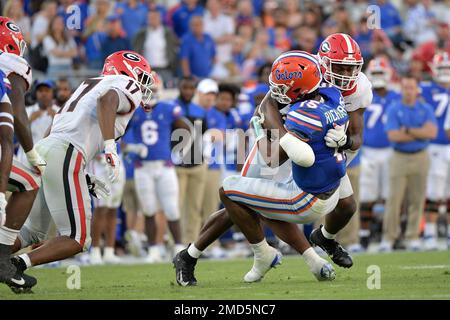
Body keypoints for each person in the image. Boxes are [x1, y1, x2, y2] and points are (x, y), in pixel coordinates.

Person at [174, 51, 342, 286]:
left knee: (253, 201)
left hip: (285, 150)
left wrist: (345, 139)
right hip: (271, 146)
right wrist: (263, 127)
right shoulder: (297, 100)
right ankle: (292, 256)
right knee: (246, 201)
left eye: (281, 86)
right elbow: (271, 140)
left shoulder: (314, 105)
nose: (274, 89)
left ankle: (190, 256)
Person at [7, 50, 154, 292]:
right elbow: (107, 99)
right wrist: (110, 147)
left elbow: (57, 127)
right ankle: (16, 264)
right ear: (125, 71)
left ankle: (11, 262)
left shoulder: (87, 85)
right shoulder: (121, 84)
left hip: (47, 149)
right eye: (141, 77)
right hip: (65, 152)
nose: (143, 84)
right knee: (77, 238)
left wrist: (78, 172)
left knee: (31, 231)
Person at [0, 17, 45, 293]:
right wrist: (31, 151)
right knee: (29, 182)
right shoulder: (12, 64)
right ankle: (3, 260)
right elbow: (17, 114)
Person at [127, 72, 188, 262]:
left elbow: (186, 129)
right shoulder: (133, 110)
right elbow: (116, 134)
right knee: (148, 209)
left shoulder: (168, 108)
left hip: (164, 166)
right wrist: (131, 147)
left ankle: (178, 248)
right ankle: (154, 249)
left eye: (152, 88)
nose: (149, 92)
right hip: (142, 167)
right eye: (146, 89)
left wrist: (178, 151)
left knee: (171, 209)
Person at [381, 76, 438, 252]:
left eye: (411, 87)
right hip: (399, 157)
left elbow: (432, 132)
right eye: (405, 87)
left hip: (421, 156)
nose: (409, 91)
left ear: (416, 89)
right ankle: (389, 238)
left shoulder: (425, 108)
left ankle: (413, 237)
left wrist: (406, 130)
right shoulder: (394, 108)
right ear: (401, 89)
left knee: (417, 198)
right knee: (394, 199)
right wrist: (419, 133)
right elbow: (393, 135)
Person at [359, 57, 399, 250]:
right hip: (368, 151)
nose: (378, 77)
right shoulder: (364, 96)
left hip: (391, 150)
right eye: (374, 73)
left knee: (389, 195)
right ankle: (365, 234)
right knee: (367, 196)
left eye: (380, 73)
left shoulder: (396, 97)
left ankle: (387, 235)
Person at [173, 76, 208, 244]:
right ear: (179, 88)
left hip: (197, 164)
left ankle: (190, 243)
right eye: (184, 88)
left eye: (191, 88)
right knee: (175, 206)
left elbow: (204, 136)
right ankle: (173, 242)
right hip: (177, 165)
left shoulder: (200, 110)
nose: (188, 91)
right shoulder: (171, 108)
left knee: (194, 208)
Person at [421, 52, 450, 250]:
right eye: (442, 68)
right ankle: (430, 232)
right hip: (435, 144)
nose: (445, 73)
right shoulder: (426, 90)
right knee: (434, 190)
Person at [88, 147, 126, 265]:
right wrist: (92, 152)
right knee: (100, 207)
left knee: (113, 208)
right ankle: (95, 250)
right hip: (99, 161)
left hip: (116, 160)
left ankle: (109, 251)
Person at [133, 9, 179, 86]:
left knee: (169, 90)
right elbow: (136, 49)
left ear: (160, 18)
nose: (153, 20)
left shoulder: (168, 33)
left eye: (155, 18)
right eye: (150, 18)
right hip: (147, 70)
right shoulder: (141, 34)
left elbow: (174, 48)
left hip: (165, 69)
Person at [17, 80, 59, 162]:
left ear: (53, 93)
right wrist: (29, 120)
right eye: (40, 91)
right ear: (35, 93)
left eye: (47, 90)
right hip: (27, 158)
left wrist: (56, 119)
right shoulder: (26, 111)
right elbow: (16, 135)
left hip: (49, 158)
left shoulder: (59, 112)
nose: (43, 94)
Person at [42, 15, 78, 80]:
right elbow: (56, 54)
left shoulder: (68, 37)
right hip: (55, 68)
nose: (59, 25)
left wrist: (61, 53)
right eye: (57, 23)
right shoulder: (47, 38)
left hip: (68, 67)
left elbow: (75, 53)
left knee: (73, 88)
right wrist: (68, 53)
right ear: (52, 25)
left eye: (61, 23)